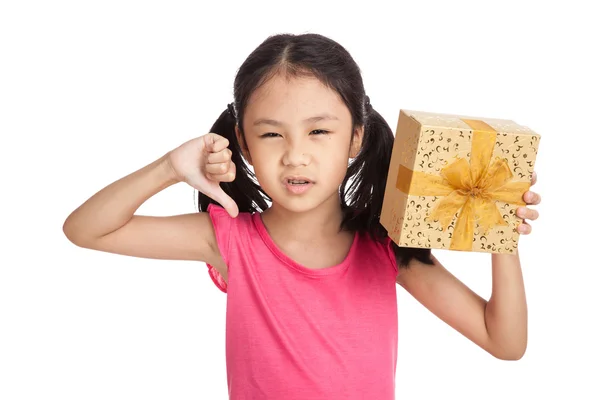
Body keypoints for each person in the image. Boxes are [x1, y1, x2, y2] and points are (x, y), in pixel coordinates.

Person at [62, 33, 542, 399]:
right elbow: (85, 230)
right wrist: (169, 168)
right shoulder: (228, 239)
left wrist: (502, 235)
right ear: (243, 141)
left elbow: (505, 342)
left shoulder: (384, 245)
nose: (295, 156)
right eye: (272, 135)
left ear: (355, 137)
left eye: (318, 131)